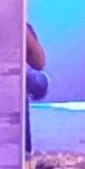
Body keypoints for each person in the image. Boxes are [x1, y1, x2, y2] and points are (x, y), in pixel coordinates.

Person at [25, 24, 48, 155]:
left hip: (17, 99)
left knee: (23, 157)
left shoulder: (22, 26)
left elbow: (39, 63)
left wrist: (23, 30)